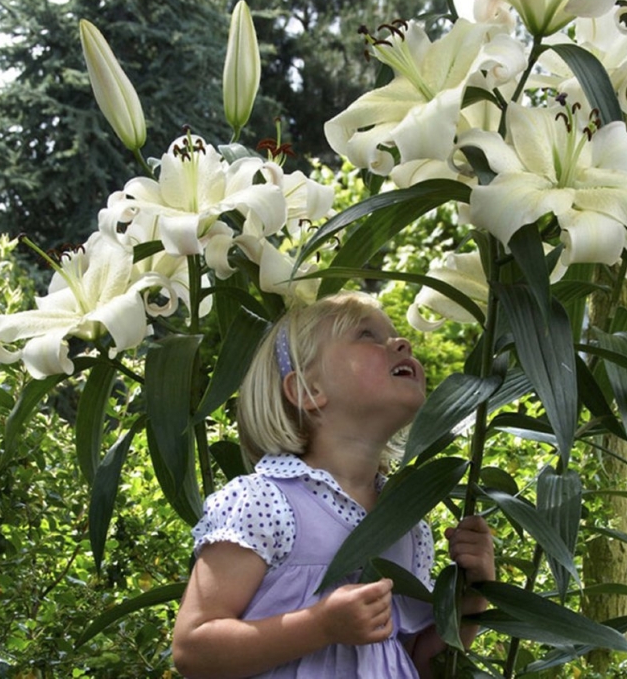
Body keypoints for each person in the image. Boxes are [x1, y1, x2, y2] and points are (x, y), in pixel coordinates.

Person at [172, 291, 495, 678]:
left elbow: (418, 662)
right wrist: (319, 626)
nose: (402, 343)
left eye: (394, 335)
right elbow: (193, 649)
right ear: (308, 391)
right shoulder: (264, 502)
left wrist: (473, 594)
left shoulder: (408, 527)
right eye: (367, 335)